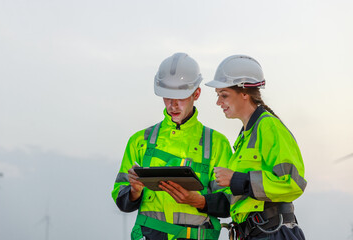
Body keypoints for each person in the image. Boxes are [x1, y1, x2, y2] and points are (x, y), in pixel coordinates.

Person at [112, 53, 233, 240]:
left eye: (180, 97)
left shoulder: (217, 144)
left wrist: (199, 201)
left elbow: (230, 203)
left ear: (196, 94)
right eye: (167, 97)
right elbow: (122, 201)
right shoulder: (139, 141)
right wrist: (134, 191)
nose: (172, 105)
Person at [205, 55, 307, 240]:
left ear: (244, 93)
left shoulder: (269, 126)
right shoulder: (245, 136)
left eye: (224, 95)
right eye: (218, 95)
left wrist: (237, 179)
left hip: (273, 233)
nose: (218, 102)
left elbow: (293, 182)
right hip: (255, 233)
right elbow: (239, 197)